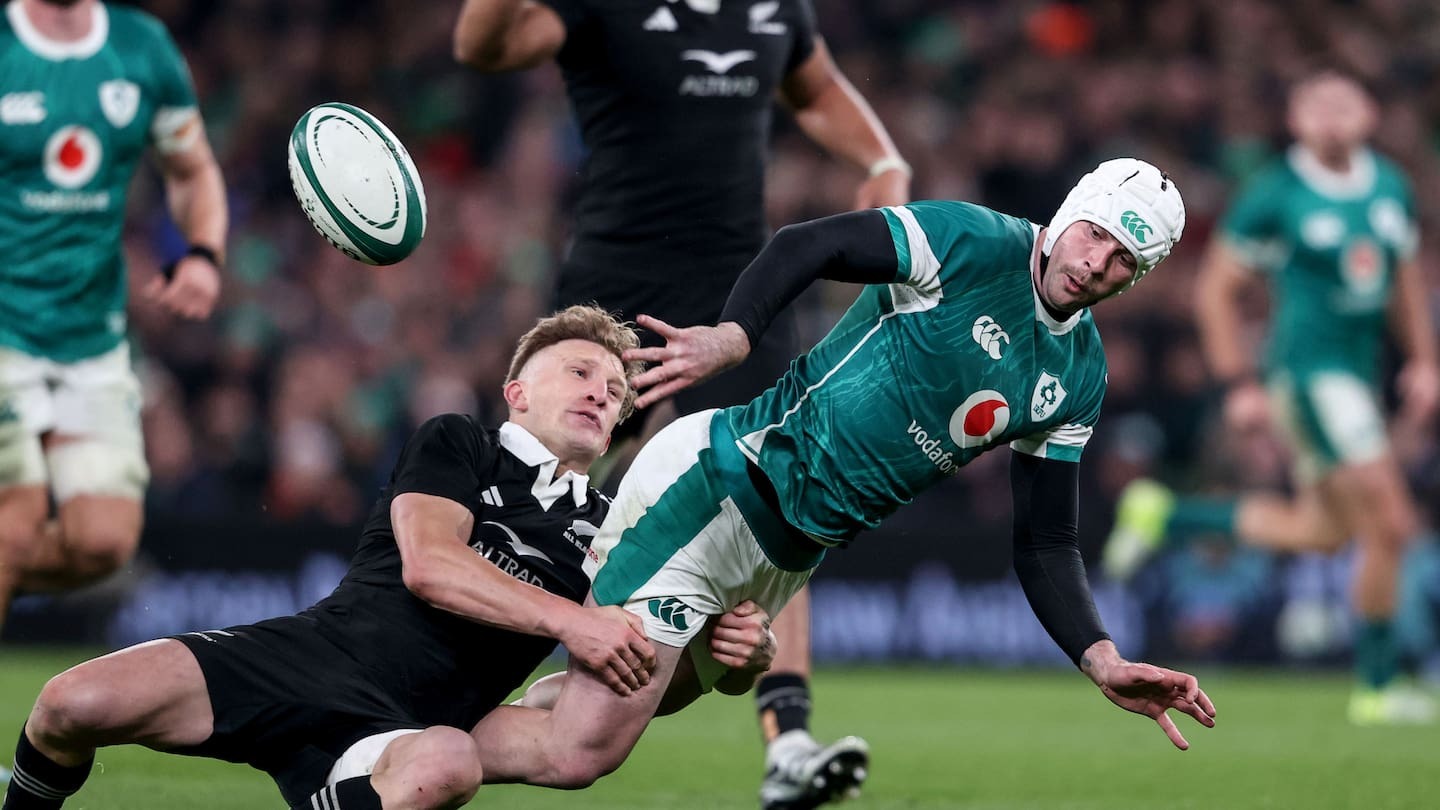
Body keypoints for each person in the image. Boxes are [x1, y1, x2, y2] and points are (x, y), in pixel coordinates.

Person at [465, 158, 1216, 797]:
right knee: (584, 751)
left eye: (1123, 260)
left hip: (787, 557)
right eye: (1094, 234)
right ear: (1070, 213)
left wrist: (1103, 660)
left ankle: (412, 727)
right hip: (720, 487)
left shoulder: (1078, 375)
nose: (1094, 264)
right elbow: (810, 244)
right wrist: (733, 335)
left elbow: (1047, 540)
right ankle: (382, 748)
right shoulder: (971, 241)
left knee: (612, 709)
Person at [2, 305, 776, 810]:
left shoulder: (616, 534)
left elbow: (635, 681)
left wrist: (728, 665)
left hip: (401, 733)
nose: (603, 393)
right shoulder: (460, 442)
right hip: (301, 657)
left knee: (449, 767)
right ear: (517, 391)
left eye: (616, 391)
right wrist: (574, 622)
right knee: (71, 705)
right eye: (580, 372)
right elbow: (430, 566)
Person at [453, 1, 911, 804]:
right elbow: (483, 45)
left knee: (783, 494)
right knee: (523, 505)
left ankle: (789, 744)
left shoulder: (775, 10)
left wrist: (881, 157)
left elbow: (816, 91)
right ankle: (427, 687)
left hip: (739, 304)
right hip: (613, 297)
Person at [1101, 73, 1440, 725]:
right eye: (1317, 104)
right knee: (1393, 525)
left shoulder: (1390, 186)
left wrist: (1424, 363)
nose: (1333, 116)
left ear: (1369, 113)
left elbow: (1401, 283)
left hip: (1358, 379)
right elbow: (1215, 289)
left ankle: (1167, 516)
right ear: (1295, 118)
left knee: (1323, 532)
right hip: (1310, 377)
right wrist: (1239, 382)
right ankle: (1376, 687)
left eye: (1345, 102)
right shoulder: (1275, 194)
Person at [0, 0, 227, 637]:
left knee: (102, 542)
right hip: (6, 326)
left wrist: (202, 255)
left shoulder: (140, 47)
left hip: (89, 338)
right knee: (12, 523)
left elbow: (192, 169)